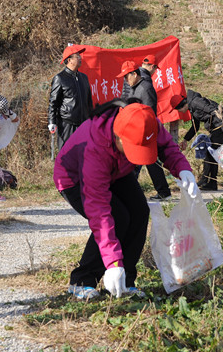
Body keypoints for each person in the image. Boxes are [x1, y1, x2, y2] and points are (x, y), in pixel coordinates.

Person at [54, 100, 196, 300]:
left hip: (117, 170)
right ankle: (82, 281)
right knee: (117, 217)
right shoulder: (95, 147)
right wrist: (113, 263)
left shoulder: (145, 122)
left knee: (139, 211)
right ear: (118, 137)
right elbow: (99, 213)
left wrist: (183, 169)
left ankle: (125, 281)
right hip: (75, 178)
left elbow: (166, 146)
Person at [118, 57, 171, 201]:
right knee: (144, 161)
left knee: (146, 161)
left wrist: (143, 132)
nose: (125, 80)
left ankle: (162, 192)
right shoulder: (133, 86)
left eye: (126, 76)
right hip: (134, 130)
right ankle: (162, 191)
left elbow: (149, 113)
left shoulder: (145, 88)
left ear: (135, 74)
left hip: (144, 131)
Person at [172, 90, 223, 191]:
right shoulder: (192, 107)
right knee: (211, 153)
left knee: (209, 151)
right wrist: (185, 140)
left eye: (178, 110)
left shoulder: (196, 102)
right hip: (217, 127)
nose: (180, 112)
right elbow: (195, 126)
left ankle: (206, 180)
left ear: (181, 106)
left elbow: (214, 111)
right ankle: (211, 183)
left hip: (221, 126)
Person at [48, 45, 92, 148]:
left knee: (83, 152)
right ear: (69, 60)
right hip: (67, 124)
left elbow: (89, 101)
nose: (80, 58)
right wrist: (52, 121)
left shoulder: (83, 78)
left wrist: (91, 119)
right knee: (67, 152)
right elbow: (53, 102)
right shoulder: (60, 78)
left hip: (83, 124)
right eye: (77, 56)